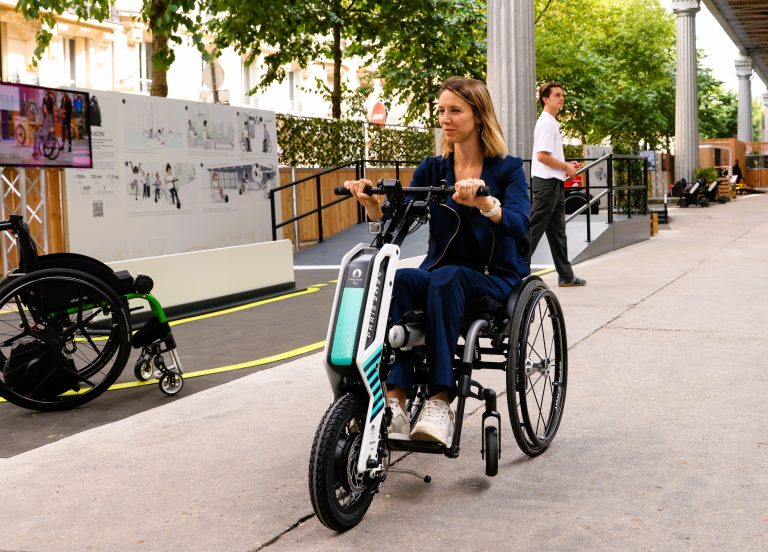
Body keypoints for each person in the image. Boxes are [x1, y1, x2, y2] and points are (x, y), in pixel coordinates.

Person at [343, 77, 530, 446]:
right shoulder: (433, 168)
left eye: (455, 110)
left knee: (446, 278)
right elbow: (399, 216)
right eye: (441, 110)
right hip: (443, 274)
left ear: (478, 116)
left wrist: (484, 203)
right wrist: (371, 204)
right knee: (397, 279)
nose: (445, 118)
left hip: (493, 277)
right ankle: (395, 400)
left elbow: (519, 224)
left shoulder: (506, 169)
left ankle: (440, 401)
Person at [530, 82, 586, 287]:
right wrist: (565, 167)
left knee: (557, 231)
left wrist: (566, 165)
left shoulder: (552, 122)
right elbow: (542, 156)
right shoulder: (546, 122)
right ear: (546, 99)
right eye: (557, 95)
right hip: (546, 184)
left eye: (562, 95)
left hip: (553, 182)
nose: (561, 98)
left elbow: (548, 156)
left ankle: (566, 275)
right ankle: (514, 271)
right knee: (534, 228)